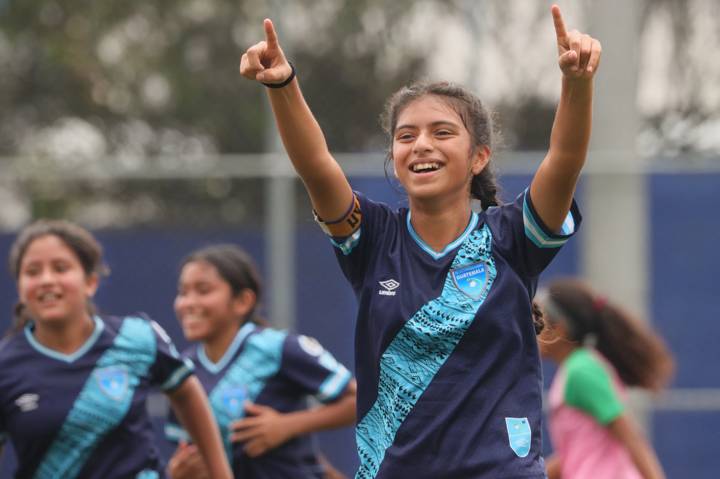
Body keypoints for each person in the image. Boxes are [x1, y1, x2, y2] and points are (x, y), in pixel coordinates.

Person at [238, 4, 600, 477]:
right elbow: (316, 165)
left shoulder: (511, 239)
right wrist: (282, 85)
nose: (421, 144)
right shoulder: (373, 239)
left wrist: (576, 82)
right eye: (406, 135)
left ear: (478, 158)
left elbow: (565, 158)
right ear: (394, 156)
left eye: (442, 132)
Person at [0, 220, 232, 479]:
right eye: (33, 271)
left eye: (61, 268)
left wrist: (221, 474)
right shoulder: (5, 365)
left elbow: (186, 392)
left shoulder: (137, 337)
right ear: (20, 288)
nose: (46, 280)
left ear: (90, 282)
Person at [165, 244, 356, 479]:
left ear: (243, 301)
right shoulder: (182, 371)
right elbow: (188, 452)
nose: (189, 303)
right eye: (183, 292)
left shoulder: (278, 347)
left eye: (203, 290)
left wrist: (286, 426)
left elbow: (359, 400)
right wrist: (178, 473)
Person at [537, 278, 674, 479]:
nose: (531, 331)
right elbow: (574, 455)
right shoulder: (573, 370)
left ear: (559, 328)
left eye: (538, 322)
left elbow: (630, 437)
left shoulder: (581, 370)